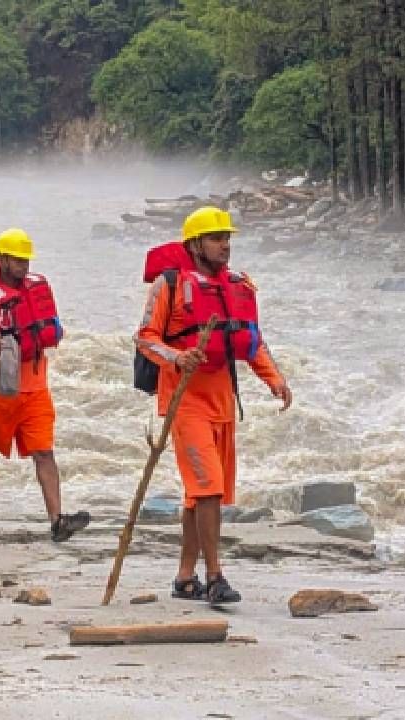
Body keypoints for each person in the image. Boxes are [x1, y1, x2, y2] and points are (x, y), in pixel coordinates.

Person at [135, 207, 292, 603]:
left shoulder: (238, 286)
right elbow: (145, 337)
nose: (225, 245)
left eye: (227, 238)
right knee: (207, 488)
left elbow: (251, 340)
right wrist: (175, 357)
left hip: (222, 401)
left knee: (201, 495)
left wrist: (274, 379)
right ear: (194, 244)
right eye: (216, 238)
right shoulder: (168, 284)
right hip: (183, 400)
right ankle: (216, 575)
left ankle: (185, 577)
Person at [0, 228, 91, 542]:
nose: (23, 266)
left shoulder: (38, 289)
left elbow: (53, 327)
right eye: (17, 260)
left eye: (26, 260)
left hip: (35, 388)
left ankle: (57, 520)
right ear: (3, 259)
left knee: (44, 451)